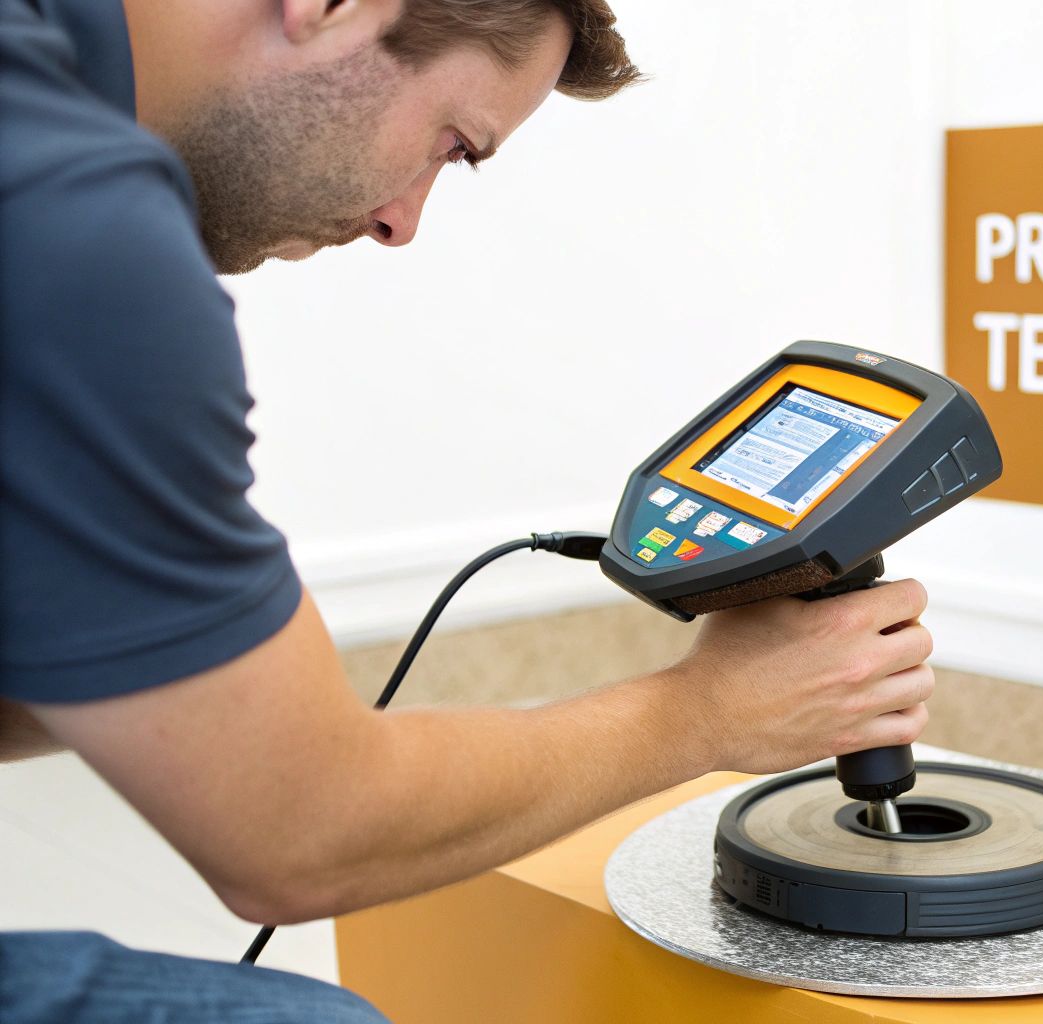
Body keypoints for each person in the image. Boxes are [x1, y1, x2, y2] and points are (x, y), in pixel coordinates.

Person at [0, 0, 936, 1019]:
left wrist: (210, 701)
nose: (401, 221)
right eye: (453, 145)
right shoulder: (74, 222)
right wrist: (711, 708)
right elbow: (303, 836)